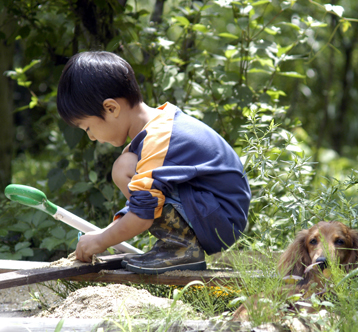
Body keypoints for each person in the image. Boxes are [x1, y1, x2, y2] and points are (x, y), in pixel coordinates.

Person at [56, 51, 251, 274]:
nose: (90, 137)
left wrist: (102, 240)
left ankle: (181, 248)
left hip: (221, 219)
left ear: (111, 108)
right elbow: (144, 199)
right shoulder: (156, 128)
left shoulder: (157, 139)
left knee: (124, 170)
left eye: (88, 127)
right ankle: (176, 244)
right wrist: (108, 231)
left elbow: (142, 214)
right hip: (209, 210)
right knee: (126, 165)